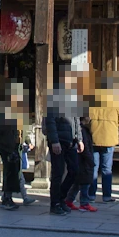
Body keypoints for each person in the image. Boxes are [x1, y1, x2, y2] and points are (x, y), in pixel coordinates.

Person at [42, 70, 82, 216]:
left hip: (71, 141)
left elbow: (76, 120)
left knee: (75, 171)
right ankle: (55, 204)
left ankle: (61, 197)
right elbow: (50, 121)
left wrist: (80, 138)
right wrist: (54, 141)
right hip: (58, 140)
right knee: (57, 173)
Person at [87, 75, 119, 204]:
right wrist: (113, 126)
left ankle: (91, 195)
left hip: (94, 137)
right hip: (109, 138)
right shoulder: (116, 102)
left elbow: (85, 121)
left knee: (93, 168)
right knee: (106, 169)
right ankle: (106, 195)